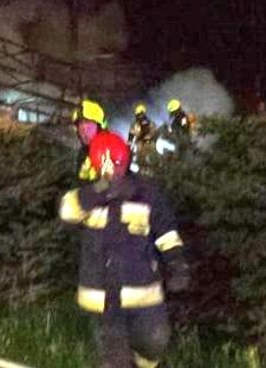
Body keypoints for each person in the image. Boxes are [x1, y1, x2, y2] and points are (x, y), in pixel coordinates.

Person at [59, 131, 190, 368]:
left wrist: (176, 263)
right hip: (102, 296)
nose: (115, 172)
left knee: (156, 341)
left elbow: (166, 232)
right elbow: (67, 211)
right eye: (109, 168)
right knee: (115, 360)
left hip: (143, 290)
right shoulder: (88, 192)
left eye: (119, 166)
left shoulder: (146, 192)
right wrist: (103, 189)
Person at [74, 98, 108, 180]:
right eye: (80, 124)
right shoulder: (83, 152)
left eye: (88, 123)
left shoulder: (108, 152)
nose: (84, 130)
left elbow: (111, 183)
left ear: (99, 128)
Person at [128, 104, 158, 171]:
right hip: (140, 143)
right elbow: (131, 135)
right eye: (138, 115)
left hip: (150, 142)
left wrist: (150, 137)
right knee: (137, 155)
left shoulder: (150, 123)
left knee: (154, 153)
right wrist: (130, 144)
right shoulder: (135, 125)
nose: (139, 116)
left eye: (140, 114)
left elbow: (155, 132)